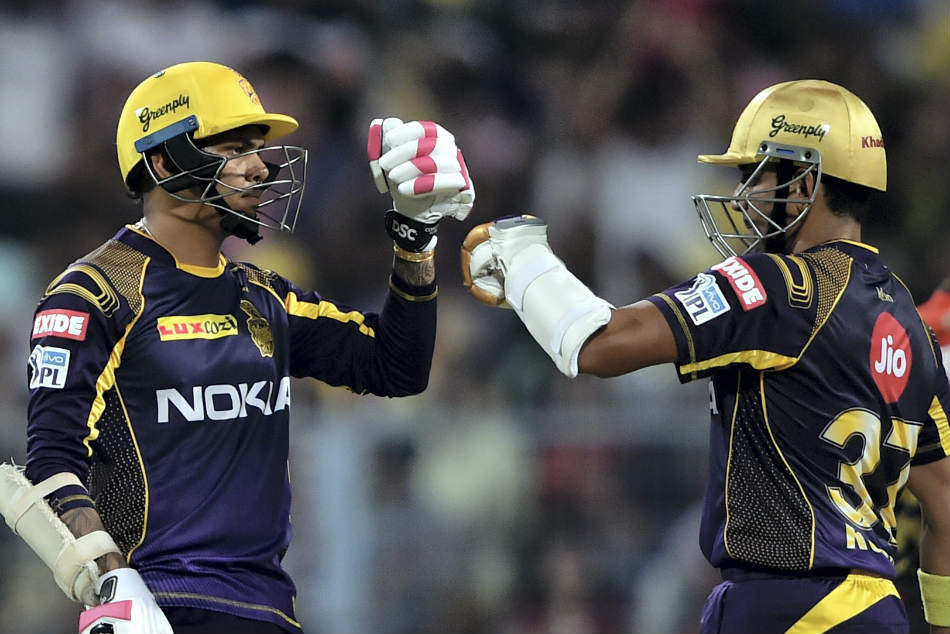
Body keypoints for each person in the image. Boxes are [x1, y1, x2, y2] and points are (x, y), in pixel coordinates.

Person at [462, 79, 949, 634]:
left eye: (754, 175)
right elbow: (945, 504)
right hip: (877, 609)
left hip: (787, 606)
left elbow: (596, 344)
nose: (742, 195)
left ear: (803, 183)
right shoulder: (911, 322)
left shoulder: (780, 285)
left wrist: (522, 259)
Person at [4, 61, 473, 634]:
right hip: (156, 606)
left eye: (257, 149)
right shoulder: (96, 293)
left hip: (268, 609)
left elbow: (398, 367)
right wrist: (111, 582)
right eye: (234, 149)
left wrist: (415, 240)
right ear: (163, 162)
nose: (259, 166)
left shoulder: (266, 297)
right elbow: (51, 464)